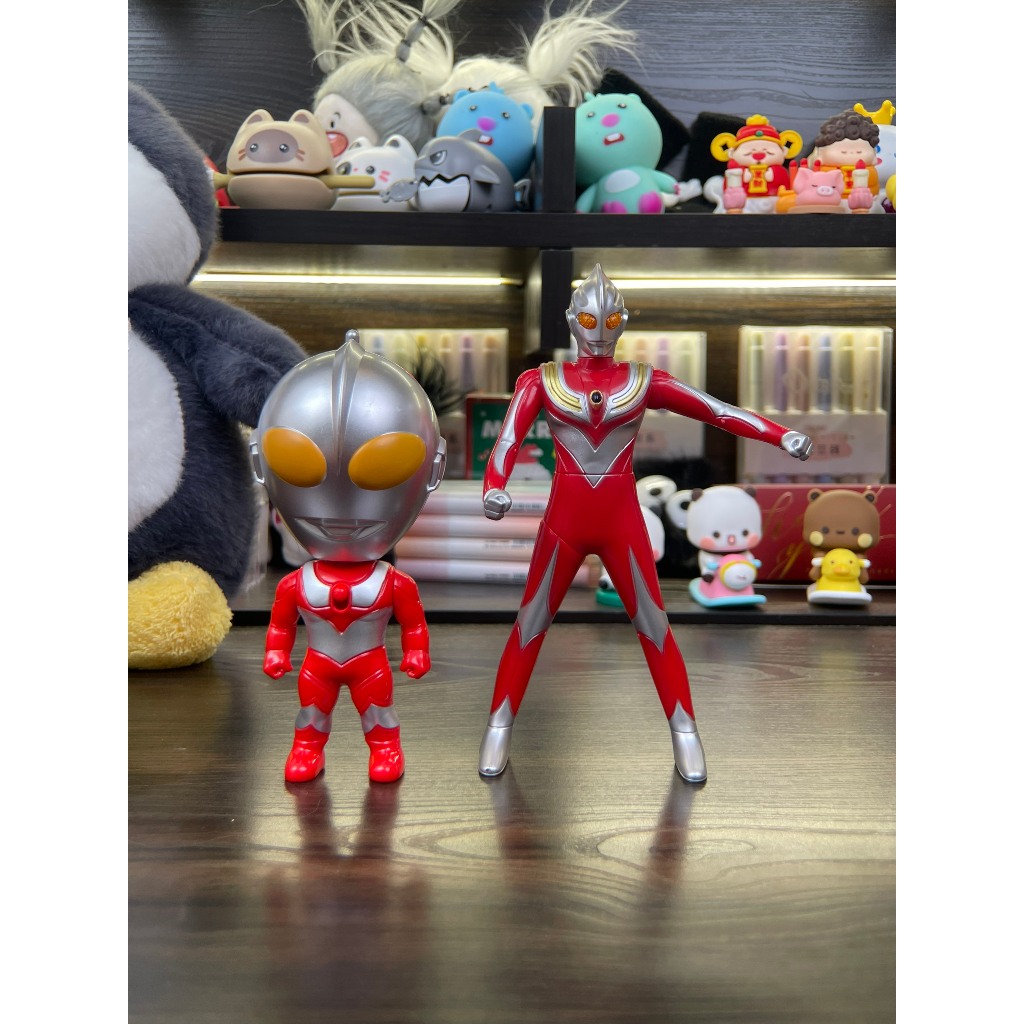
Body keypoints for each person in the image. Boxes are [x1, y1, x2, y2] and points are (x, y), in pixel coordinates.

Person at [477, 265, 812, 783]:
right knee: (532, 621)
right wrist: (493, 487)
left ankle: (685, 731)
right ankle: (499, 725)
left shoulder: (642, 380)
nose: (599, 330)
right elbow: (506, 442)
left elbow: (716, 411)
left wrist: (779, 434)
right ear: (571, 319)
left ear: (624, 321)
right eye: (590, 319)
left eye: (610, 319)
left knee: (654, 625)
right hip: (565, 521)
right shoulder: (540, 381)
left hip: (621, 521)